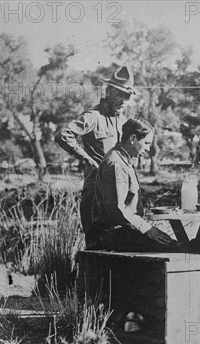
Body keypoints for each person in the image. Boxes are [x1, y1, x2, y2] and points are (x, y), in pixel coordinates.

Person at [55, 66, 138, 249]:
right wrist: (86, 158)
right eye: (119, 95)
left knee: (120, 242)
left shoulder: (123, 120)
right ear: (108, 92)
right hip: (96, 189)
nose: (123, 101)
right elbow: (63, 135)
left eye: (127, 97)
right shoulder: (93, 117)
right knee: (95, 244)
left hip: (119, 190)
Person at [92, 118, 181, 252]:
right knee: (178, 248)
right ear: (133, 138)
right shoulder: (116, 163)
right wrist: (147, 229)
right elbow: (116, 209)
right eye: (146, 143)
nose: (148, 148)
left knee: (175, 244)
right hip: (116, 235)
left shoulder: (124, 160)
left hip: (126, 231)